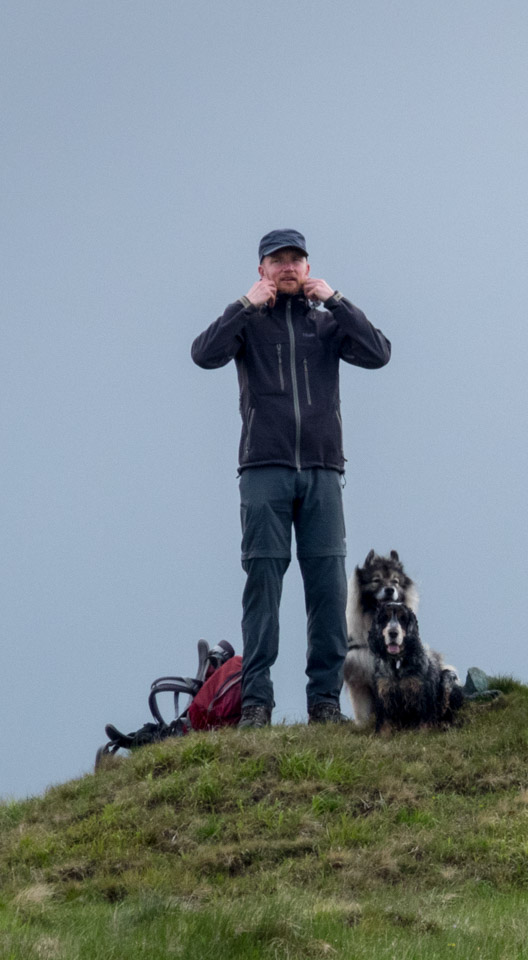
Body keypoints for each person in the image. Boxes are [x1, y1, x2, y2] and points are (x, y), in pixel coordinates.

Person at [190, 229, 391, 726]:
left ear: (308, 268)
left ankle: (323, 702)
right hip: (264, 472)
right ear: (261, 271)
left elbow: (379, 352)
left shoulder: (325, 325)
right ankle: (256, 704)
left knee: (326, 589)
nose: (287, 267)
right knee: (264, 586)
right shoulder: (248, 326)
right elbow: (203, 353)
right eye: (276, 260)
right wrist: (242, 305)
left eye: (295, 260)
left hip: (323, 473)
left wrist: (337, 300)